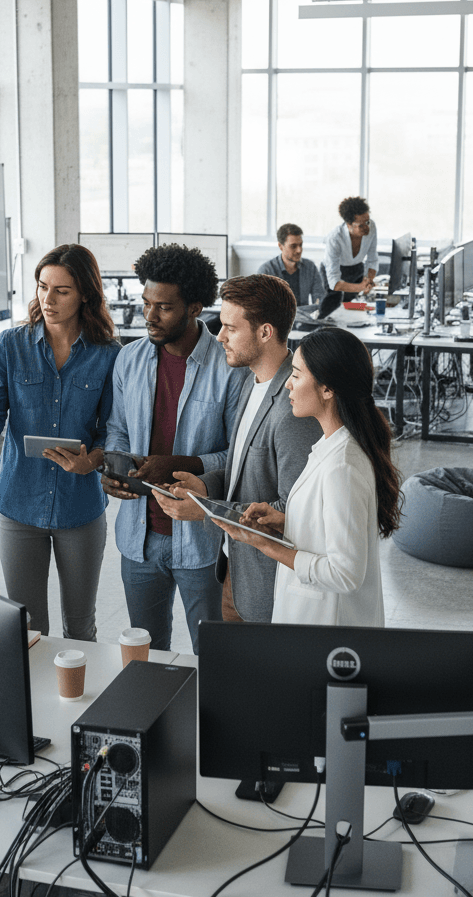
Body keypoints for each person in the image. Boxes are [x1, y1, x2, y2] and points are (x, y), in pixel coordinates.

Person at [0, 244, 119, 641]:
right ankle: (37, 704)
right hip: (19, 503)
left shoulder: (109, 355)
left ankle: (80, 702)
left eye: (61, 290)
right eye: (41, 286)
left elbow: (112, 431)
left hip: (79, 506)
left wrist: (92, 460)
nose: (47, 299)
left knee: (80, 625)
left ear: (86, 293)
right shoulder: (10, 345)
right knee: (29, 628)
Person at [102, 243, 247, 653]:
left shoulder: (229, 367)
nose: (149, 315)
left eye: (163, 307)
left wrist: (180, 465)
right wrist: (113, 469)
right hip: (137, 538)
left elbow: (238, 456)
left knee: (214, 656)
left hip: (200, 539)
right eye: (146, 303)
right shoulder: (128, 360)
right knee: (146, 653)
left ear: (195, 307)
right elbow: (116, 430)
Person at [152, 275, 322, 622]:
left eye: (231, 327)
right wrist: (206, 486)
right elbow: (242, 467)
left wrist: (207, 510)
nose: (219, 336)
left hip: (269, 586)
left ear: (264, 332)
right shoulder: (250, 381)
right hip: (234, 569)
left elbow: (293, 511)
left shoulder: (293, 408)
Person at [209, 327, 400, 627]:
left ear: (327, 389)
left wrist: (264, 544)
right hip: (309, 620)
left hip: (330, 629)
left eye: (296, 375)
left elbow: (345, 573)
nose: (287, 384)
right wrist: (284, 520)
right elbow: (328, 528)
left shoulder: (342, 467)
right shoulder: (329, 446)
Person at [320, 197, 380, 317]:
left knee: (352, 309)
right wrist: (359, 287)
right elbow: (334, 283)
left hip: (356, 267)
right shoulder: (335, 238)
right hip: (334, 271)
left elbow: (372, 259)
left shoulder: (371, 227)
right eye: (361, 226)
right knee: (331, 308)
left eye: (367, 222)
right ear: (349, 224)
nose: (367, 228)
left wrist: (369, 280)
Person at [256, 223, 327, 306]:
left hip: (305, 318)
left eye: (300, 245)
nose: (299, 250)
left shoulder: (310, 267)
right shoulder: (266, 271)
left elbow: (320, 300)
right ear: (280, 246)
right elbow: (261, 307)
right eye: (293, 246)